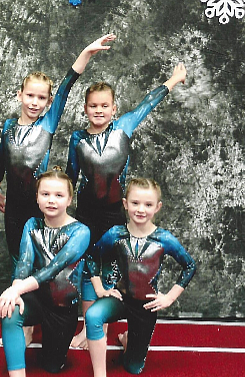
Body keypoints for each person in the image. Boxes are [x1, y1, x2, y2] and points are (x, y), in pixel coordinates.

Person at [68, 63, 187, 349]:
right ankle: (88, 327)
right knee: (87, 267)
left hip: (113, 213)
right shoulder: (77, 138)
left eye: (104, 106)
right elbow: (72, 175)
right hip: (85, 212)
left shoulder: (123, 128)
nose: (99, 110)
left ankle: (106, 326)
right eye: (93, 106)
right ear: (85, 109)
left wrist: (172, 80)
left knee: (111, 267)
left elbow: (147, 104)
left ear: (114, 109)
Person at [0, 33, 115, 269]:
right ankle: (18, 303)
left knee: (38, 260)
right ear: (20, 95)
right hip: (13, 210)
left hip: (39, 205)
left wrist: (87, 52)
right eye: (29, 96)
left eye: (41, 98)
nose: (34, 102)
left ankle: (36, 301)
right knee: (17, 260)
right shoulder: (8, 126)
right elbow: (0, 164)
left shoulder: (47, 124)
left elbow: (66, 85)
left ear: (48, 102)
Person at [74, 177, 196, 377]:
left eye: (148, 205)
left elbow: (189, 265)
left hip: (146, 305)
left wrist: (169, 297)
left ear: (157, 207)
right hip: (120, 298)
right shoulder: (115, 234)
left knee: (133, 367)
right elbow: (91, 256)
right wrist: (100, 287)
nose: (141, 209)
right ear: (125, 203)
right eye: (135, 203)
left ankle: (130, 339)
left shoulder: (164, 238)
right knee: (93, 315)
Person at [0, 167, 90, 377]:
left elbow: (53, 269)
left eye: (58, 195)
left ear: (69, 199)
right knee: (11, 310)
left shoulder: (81, 232)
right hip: (36, 298)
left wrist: (17, 289)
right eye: (45, 194)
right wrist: (17, 291)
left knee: (53, 366)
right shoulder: (32, 224)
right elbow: (24, 263)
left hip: (62, 306)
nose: (51, 200)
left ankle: (40, 335)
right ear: (37, 197)